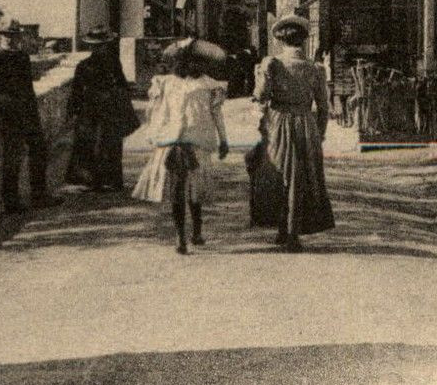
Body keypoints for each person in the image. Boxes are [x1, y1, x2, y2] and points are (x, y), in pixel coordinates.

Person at [133, 38, 230, 253]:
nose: (188, 65)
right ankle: (184, 234)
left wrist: (223, 139)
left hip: (187, 141)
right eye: (184, 60)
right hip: (180, 141)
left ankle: (192, 232)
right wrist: (154, 133)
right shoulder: (170, 83)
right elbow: (154, 110)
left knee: (189, 190)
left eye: (192, 61)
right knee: (183, 190)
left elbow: (216, 114)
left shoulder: (204, 85)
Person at [250, 15, 334, 251]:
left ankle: (282, 229)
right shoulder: (315, 69)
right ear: (303, 40)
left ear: (280, 40)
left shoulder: (272, 64)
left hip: (278, 123)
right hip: (306, 124)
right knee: (303, 177)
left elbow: (261, 95)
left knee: (278, 173)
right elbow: (324, 107)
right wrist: (320, 133)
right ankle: (293, 232)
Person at [0, 21, 61, 214]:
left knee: (39, 151)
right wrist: (1, 100)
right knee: (12, 158)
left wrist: (31, 108)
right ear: (0, 37)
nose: (11, 40)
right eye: (7, 36)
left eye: (14, 36)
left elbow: (28, 87)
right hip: (8, 116)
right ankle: (11, 202)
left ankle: (39, 196)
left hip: (29, 113)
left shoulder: (22, 58)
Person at [65, 26, 134, 191]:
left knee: (106, 143)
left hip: (104, 109)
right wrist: (74, 110)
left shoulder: (109, 63)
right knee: (97, 144)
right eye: (96, 46)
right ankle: (98, 180)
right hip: (94, 110)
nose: (99, 48)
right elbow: (77, 90)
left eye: (101, 45)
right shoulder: (85, 65)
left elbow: (121, 84)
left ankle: (106, 180)